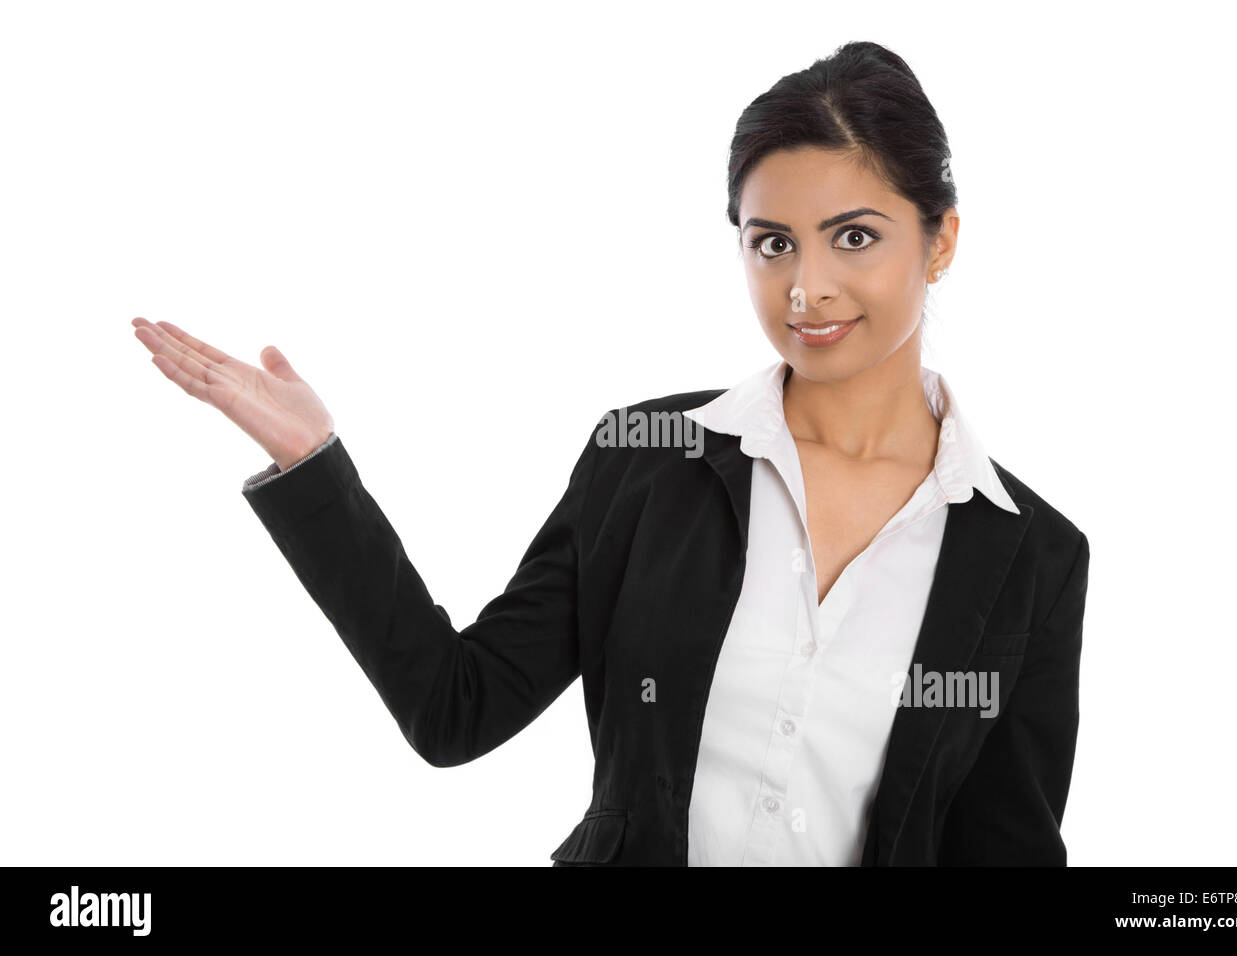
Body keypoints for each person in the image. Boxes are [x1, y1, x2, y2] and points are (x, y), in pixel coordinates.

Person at [131, 40, 1089, 866]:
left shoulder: (1034, 559)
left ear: (940, 240)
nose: (807, 287)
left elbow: (1006, 849)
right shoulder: (646, 460)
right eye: (772, 244)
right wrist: (315, 465)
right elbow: (455, 709)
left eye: (853, 237)